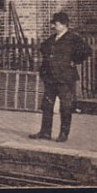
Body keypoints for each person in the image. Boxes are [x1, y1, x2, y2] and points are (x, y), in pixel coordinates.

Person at [29, 12, 91, 143]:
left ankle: (63, 133)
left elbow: (87, 51)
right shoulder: (52, 39)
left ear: (64, 25)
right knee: (47, 105)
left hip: (65, 78)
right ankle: (45, 132)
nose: (53, 26)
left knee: (65, 106)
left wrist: (74, 61)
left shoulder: (73, 38)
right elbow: (43, 49)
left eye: (55, 24)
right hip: (50, 78)